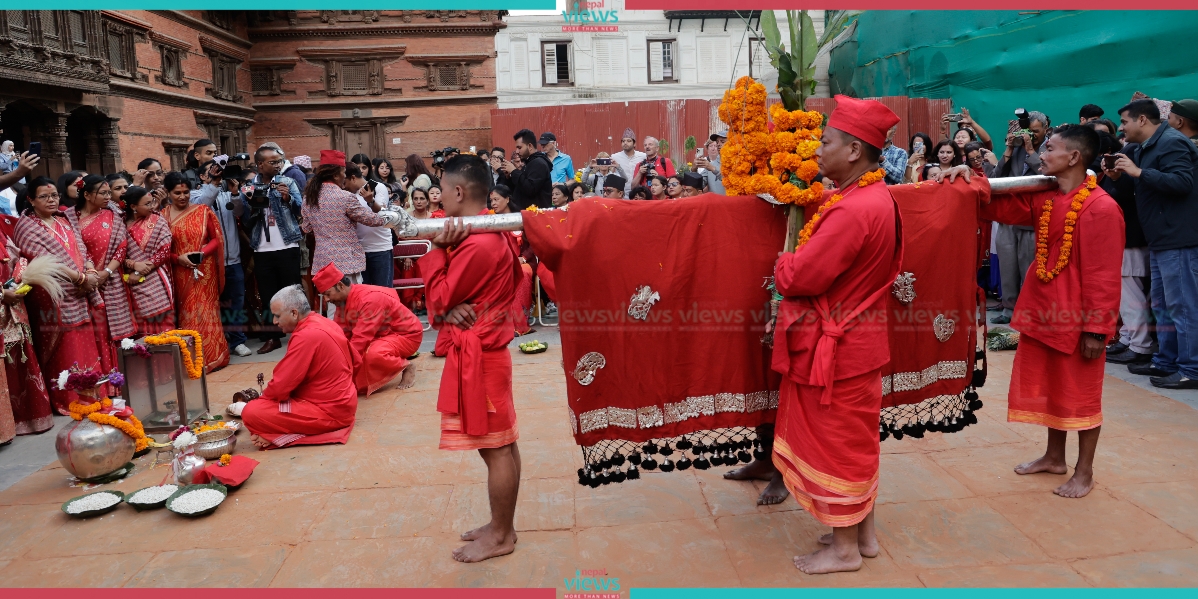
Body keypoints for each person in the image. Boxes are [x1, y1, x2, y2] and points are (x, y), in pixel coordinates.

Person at [955, 124, 1124, 498]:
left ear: (1074, 158)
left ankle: (1084, 471)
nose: (1042, 155)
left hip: (1077, 320)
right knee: (1052, 388)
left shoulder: (1101, 207)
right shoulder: (1047, 197)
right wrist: (968, 178)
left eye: (1050, 149)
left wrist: (1097, 329)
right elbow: (997, 204)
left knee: (1081, 394)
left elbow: (1104, 276)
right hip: (1042, 311)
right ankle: (1053, 456)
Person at [770, 95, 900, 574]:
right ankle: (861, 535)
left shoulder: (852, 210)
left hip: (840, 348)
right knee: (857, 440)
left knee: (836, 444)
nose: (817, 150)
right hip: (860, 341)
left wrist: (783, 262)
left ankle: (844, 550)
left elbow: (800, 277)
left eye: (826, 141)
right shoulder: (872, 196)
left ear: (854, 151)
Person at [417, 154, 522, 563]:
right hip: (486, 352)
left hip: (483, 356)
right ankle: (502, 524)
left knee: (496, 449)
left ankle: (500, 535)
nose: (439, 197)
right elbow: (448, 303)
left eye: (442, 189)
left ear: (459, 192)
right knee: (500, 446)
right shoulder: (482, 237)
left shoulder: (476, 243)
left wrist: (438, 251)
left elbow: (439, 303)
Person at [1108, 99, 1198, 389]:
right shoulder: (1144, 148)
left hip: (1179, 238)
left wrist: (1138, 172)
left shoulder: (1172, 143)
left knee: (1183, 307)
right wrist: (1122, 177)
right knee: (1162, 305)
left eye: (1124, 122)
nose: (1121, 128)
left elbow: (1183, 182)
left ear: (1143, 120)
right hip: (1160, 239)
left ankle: (1192, 369)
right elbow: (1142, 188)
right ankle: (1166, 361)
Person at [14, 177, 115, 413]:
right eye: (44, 196)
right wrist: (80, 279)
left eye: (54, 196)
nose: (51, 200)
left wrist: (89, 272)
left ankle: (91, 392)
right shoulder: (27, 227)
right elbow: (42, 260)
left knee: (85, 341)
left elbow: (82, 250)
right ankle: (67, 399)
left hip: (81, 291)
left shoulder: (64, 220)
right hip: (55, 295)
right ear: (30, 199)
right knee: (66, 345)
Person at [232, 285, 358, 449]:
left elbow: (281, 386)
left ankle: (279, 437)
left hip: (331, 412)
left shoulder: (306, 335)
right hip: (344, 402)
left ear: (294, 313)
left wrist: (262, 402)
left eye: (277, 316)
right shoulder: (324, 322)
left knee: (251, 412)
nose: (274, 321)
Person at [1089, 127, 1152, 366]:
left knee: (1131, 297)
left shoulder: (1125, 175)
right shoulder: (1112, 174)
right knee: (1125, 297)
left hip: (1131, 243)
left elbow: (1121, 199)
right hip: (1124, 243)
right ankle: (1127, 338)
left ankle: (1140, 345)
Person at [315, 262, 423, 395]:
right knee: (344, 356)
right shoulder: (343, 300)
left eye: (327, 294)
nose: (325, 300)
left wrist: (341, 366)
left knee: (371, 354)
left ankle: (405, 366)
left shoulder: (369, 299)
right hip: (381, 335)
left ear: (340, 286)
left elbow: (360, 339)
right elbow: (340, 334)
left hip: (407, 335)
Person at [163, 172, 229, 372]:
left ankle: (214, 356)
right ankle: (192, 360)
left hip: (203, 269)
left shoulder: (202, 211)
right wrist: (178, 259)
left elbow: (216, 238)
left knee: (206, 311)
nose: (183, 197)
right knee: (187, 313)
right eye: (177, 193)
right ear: (168, 193)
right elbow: (160, 249)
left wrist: (200, 254)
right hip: (178, 270)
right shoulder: (161, 216)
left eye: (186, 192)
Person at [300, 152, 390, 298]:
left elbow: (306, 228)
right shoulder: (345, 197)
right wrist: (385, 212)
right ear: (336, 175)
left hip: (323, 262)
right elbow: (374, 220)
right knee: (351, 304)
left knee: (332, 306)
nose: (344, 176)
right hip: (346, 262)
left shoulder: (308, 198)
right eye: (343, 172)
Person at [243, 145, 304, 355]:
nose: (277, 165)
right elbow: (244, 216)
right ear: (260, 165)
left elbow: (301, 208)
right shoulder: (249, 186)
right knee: (268, 295)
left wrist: (288, 199)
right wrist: (246, 200)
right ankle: (273, 337)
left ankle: (302, 334)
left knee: (294, 292)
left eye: (279, 161)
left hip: (288, 245)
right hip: (262, 247)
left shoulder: (288, 182)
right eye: (272, 162)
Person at [992, 111, 1050, 326]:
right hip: (1009, 216)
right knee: (1007, 266)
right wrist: (1008, 149)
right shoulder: (1014, 147)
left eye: (1035, 131)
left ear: (1046, 129)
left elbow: (1047, 175)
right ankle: (1008, 308)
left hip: (1033, 218)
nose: (1031, 136)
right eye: (1028, 132)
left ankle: (1029, 309)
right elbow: (995, 178)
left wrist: (1030, 151)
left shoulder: (1050, 148)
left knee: (1029, 267)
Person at [0, 206, 54, 435]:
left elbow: (16, 256)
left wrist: (18, 277)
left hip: (13, 304)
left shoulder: (4, 225)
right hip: (5, 302)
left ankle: (27, 420)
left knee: (21, 361)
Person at [65, 175, 136, 348]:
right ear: (87, 195)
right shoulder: (68, 217)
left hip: (112, 281)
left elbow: (121, 247)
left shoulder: (113, 216)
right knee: (93, 331)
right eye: (102, 193)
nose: (108, 197)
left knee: (115, 329)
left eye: (108, 193)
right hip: (83, 281)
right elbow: (69, 248)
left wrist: (107, 272)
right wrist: (89, 276)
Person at [191, 159, 251, 357]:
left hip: (232, 259)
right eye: (213, 170)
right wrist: (214, 184)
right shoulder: (194, 195)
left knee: (236, 302)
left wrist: (235, 193)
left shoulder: (228, 193)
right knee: (213, 304)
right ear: (202, 176)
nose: (218, 173)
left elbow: (240, 212)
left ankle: (238, 341)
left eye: (220, 171)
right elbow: (202, 207)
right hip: (209, 262)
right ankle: (218, 341)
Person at [122, 187, 176, 334]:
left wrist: (141, 271)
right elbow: (118, 254)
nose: (152, 207)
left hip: (155, 278)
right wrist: (133, 265)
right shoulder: (120, 224)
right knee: (141, 329)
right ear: (133, 206)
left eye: (152, 202)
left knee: (164, 327)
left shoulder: (157, 220)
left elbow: (164, 251)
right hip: (130, 281)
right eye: (147, 204)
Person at [345, 163, 394, 288]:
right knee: (364, 292)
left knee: (384, 292)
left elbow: (383, 216)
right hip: (359, 251)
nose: (343, 187)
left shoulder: (378, 187)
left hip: (380, 247)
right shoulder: (348, 194)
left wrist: (371, 201)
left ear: (353, 178)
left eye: (345, 183)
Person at [505, 129, 552, 210]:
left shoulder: (538, 163)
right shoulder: (530, 162)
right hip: (527, 215)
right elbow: (519, 188)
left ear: (530, 146)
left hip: (536, 216)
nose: (517, 151)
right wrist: (509, 176)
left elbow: (530, 188)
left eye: (519, 147)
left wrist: (514, 171)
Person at [610, 128, 644, 195]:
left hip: (638, 193)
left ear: (634, 144)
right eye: (623, 141)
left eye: (628, 141)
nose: (625, 143)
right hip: (621, 193)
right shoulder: (615, 157)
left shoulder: (643, 156)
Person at [695, 130, 726, 194]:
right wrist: (694, 169)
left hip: (732, 202)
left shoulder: (738, 163)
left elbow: (732, 182)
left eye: (722, 142)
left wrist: (713, 169)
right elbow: (698, 185)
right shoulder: (710, 165)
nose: (718, 144)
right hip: (714, 203)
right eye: (717, 142)